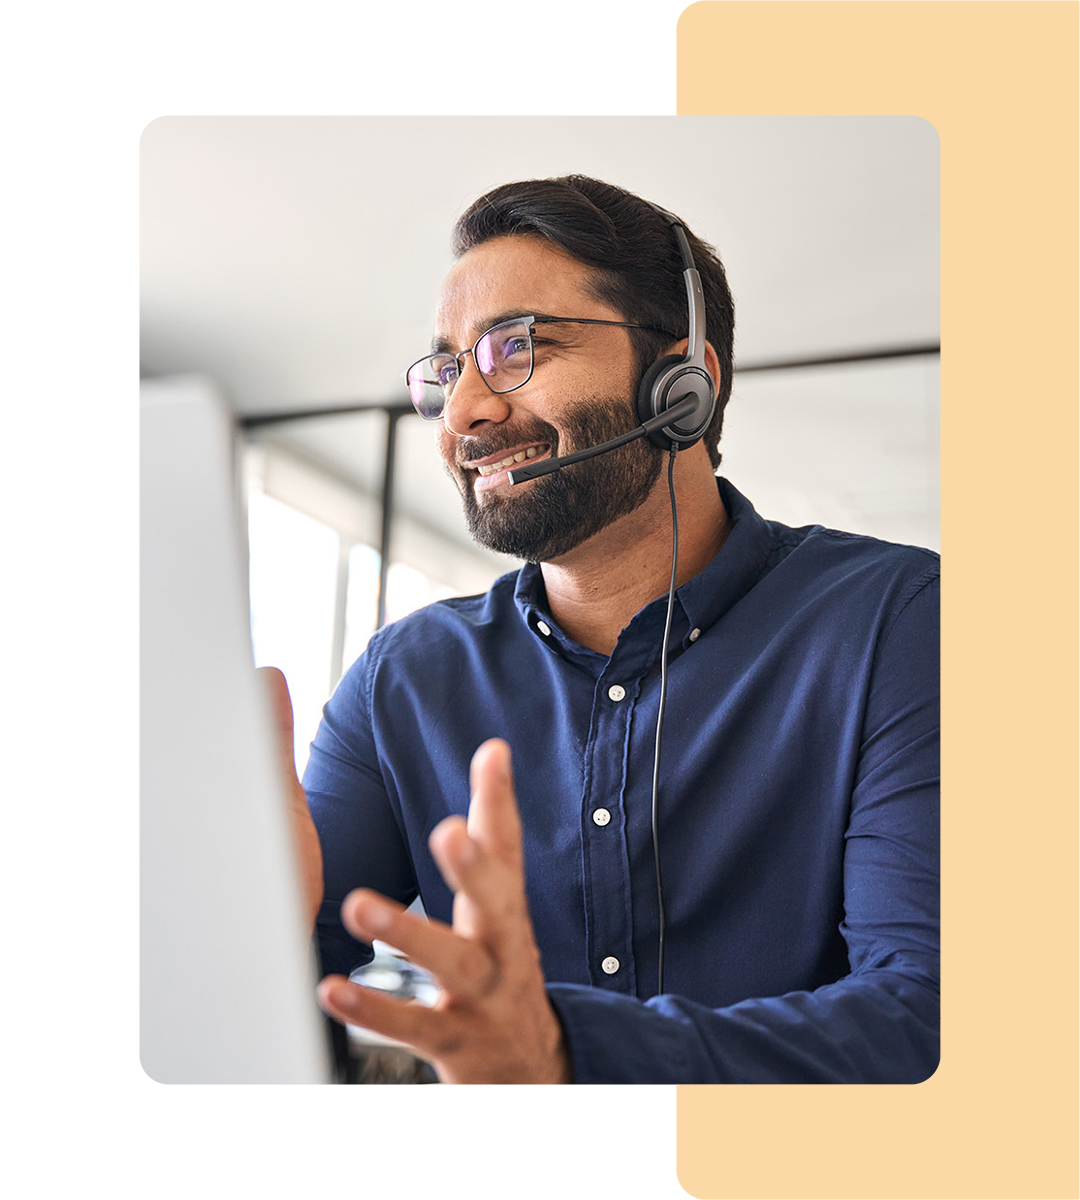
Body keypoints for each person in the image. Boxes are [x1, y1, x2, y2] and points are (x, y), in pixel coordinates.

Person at [283, 175, 939, 1085]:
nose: (464, 412)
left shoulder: (900, 622)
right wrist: (232, 919)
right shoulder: (404, 679)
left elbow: (930, 1020)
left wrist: (565, 1053)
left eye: (514, 348)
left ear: (684, 384)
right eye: (448, 370)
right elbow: (276, 998)